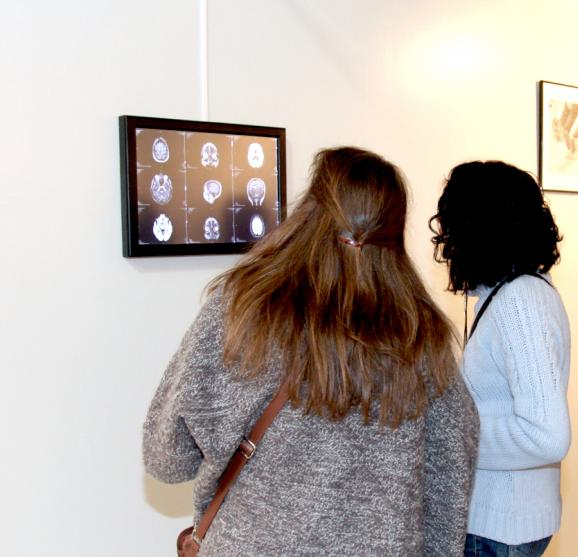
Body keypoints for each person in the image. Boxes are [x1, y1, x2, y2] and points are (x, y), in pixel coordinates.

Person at [143, 147, 479, 556]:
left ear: (312, 213)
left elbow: (166, 458)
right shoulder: (422, 336)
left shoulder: (245, 309)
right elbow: (449, 485)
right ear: (394, 230)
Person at [430, 161, 571, 557]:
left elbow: (546, 436)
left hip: (499, 528)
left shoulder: (519, 301)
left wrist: (449, 437)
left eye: (452, 221)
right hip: (504, 522)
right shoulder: (513, 293)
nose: (446, 236)